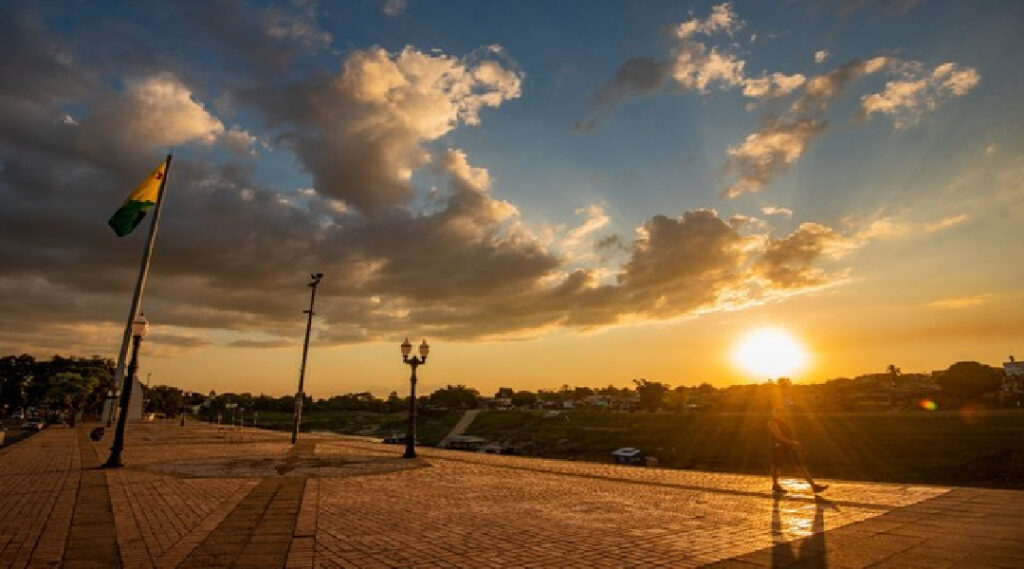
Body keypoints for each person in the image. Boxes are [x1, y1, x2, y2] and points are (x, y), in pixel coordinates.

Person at [768, 379, 827, 495]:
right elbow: (778, 436)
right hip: (778, 447)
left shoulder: (783, 421)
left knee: (800, 466)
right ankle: (775, 484)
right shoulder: (772, 423)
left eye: (782, 412)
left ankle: (813, 485)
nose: (782, 413)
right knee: (776, 467)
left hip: (788, 446)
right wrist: (792, 443)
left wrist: (791, 444)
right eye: (780, 412)